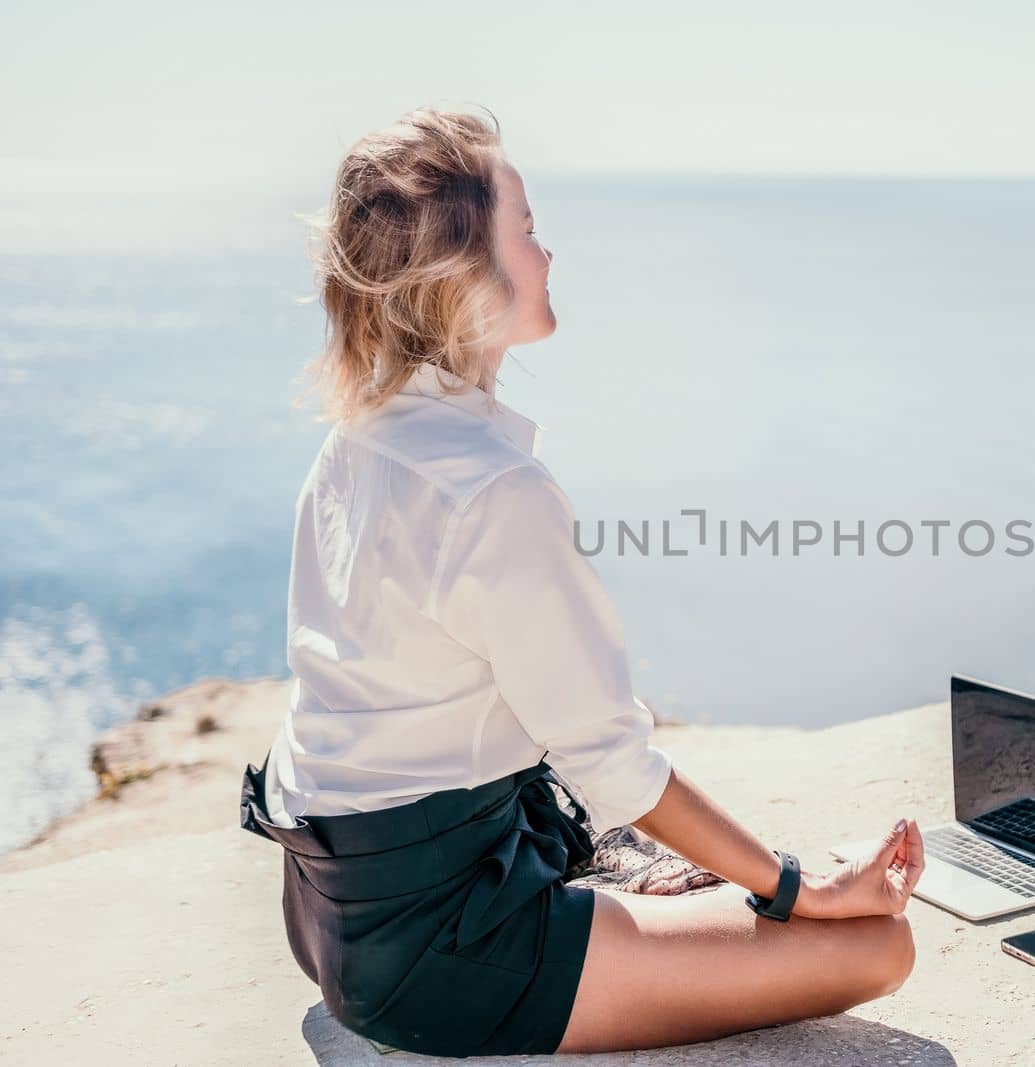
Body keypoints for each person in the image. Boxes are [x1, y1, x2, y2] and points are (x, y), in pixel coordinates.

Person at [237, 105, 924, 1058]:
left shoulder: (358, 437)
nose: (547, 251)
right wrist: (799, 889)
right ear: (462, 275)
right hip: (441, 955)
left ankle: (635, 893)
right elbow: (618, 770)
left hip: (327, 914)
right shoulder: (492, 489)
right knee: (876, 947)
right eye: (523, 229)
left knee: (734, 895)